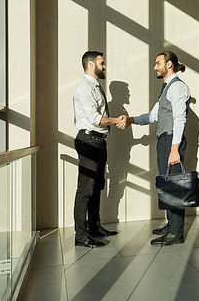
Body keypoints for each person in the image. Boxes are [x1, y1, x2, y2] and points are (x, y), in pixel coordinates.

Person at [127, 50, 191, 247]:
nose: (155, 67)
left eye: (157, 63)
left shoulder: (177, 87)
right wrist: (130, 120)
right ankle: (171, 224)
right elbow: (153, 115)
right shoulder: (167, 89)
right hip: (164, 141)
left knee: (174, 188)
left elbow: (180, 118)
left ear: (169, 64)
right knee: (166, 186)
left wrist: (174, 148)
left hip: (172, 141)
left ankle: (175, 233)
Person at [73, 51, 128, 248]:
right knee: (85, 189)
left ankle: (95, 227)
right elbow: (96, 118)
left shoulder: (96, 87)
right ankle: (81, 234)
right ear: (90, 64)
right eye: (101, 63)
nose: (104, 67)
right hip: (88, 141)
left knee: (96, 188)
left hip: (98, 141)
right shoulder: (85, 89)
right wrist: (117, 120)